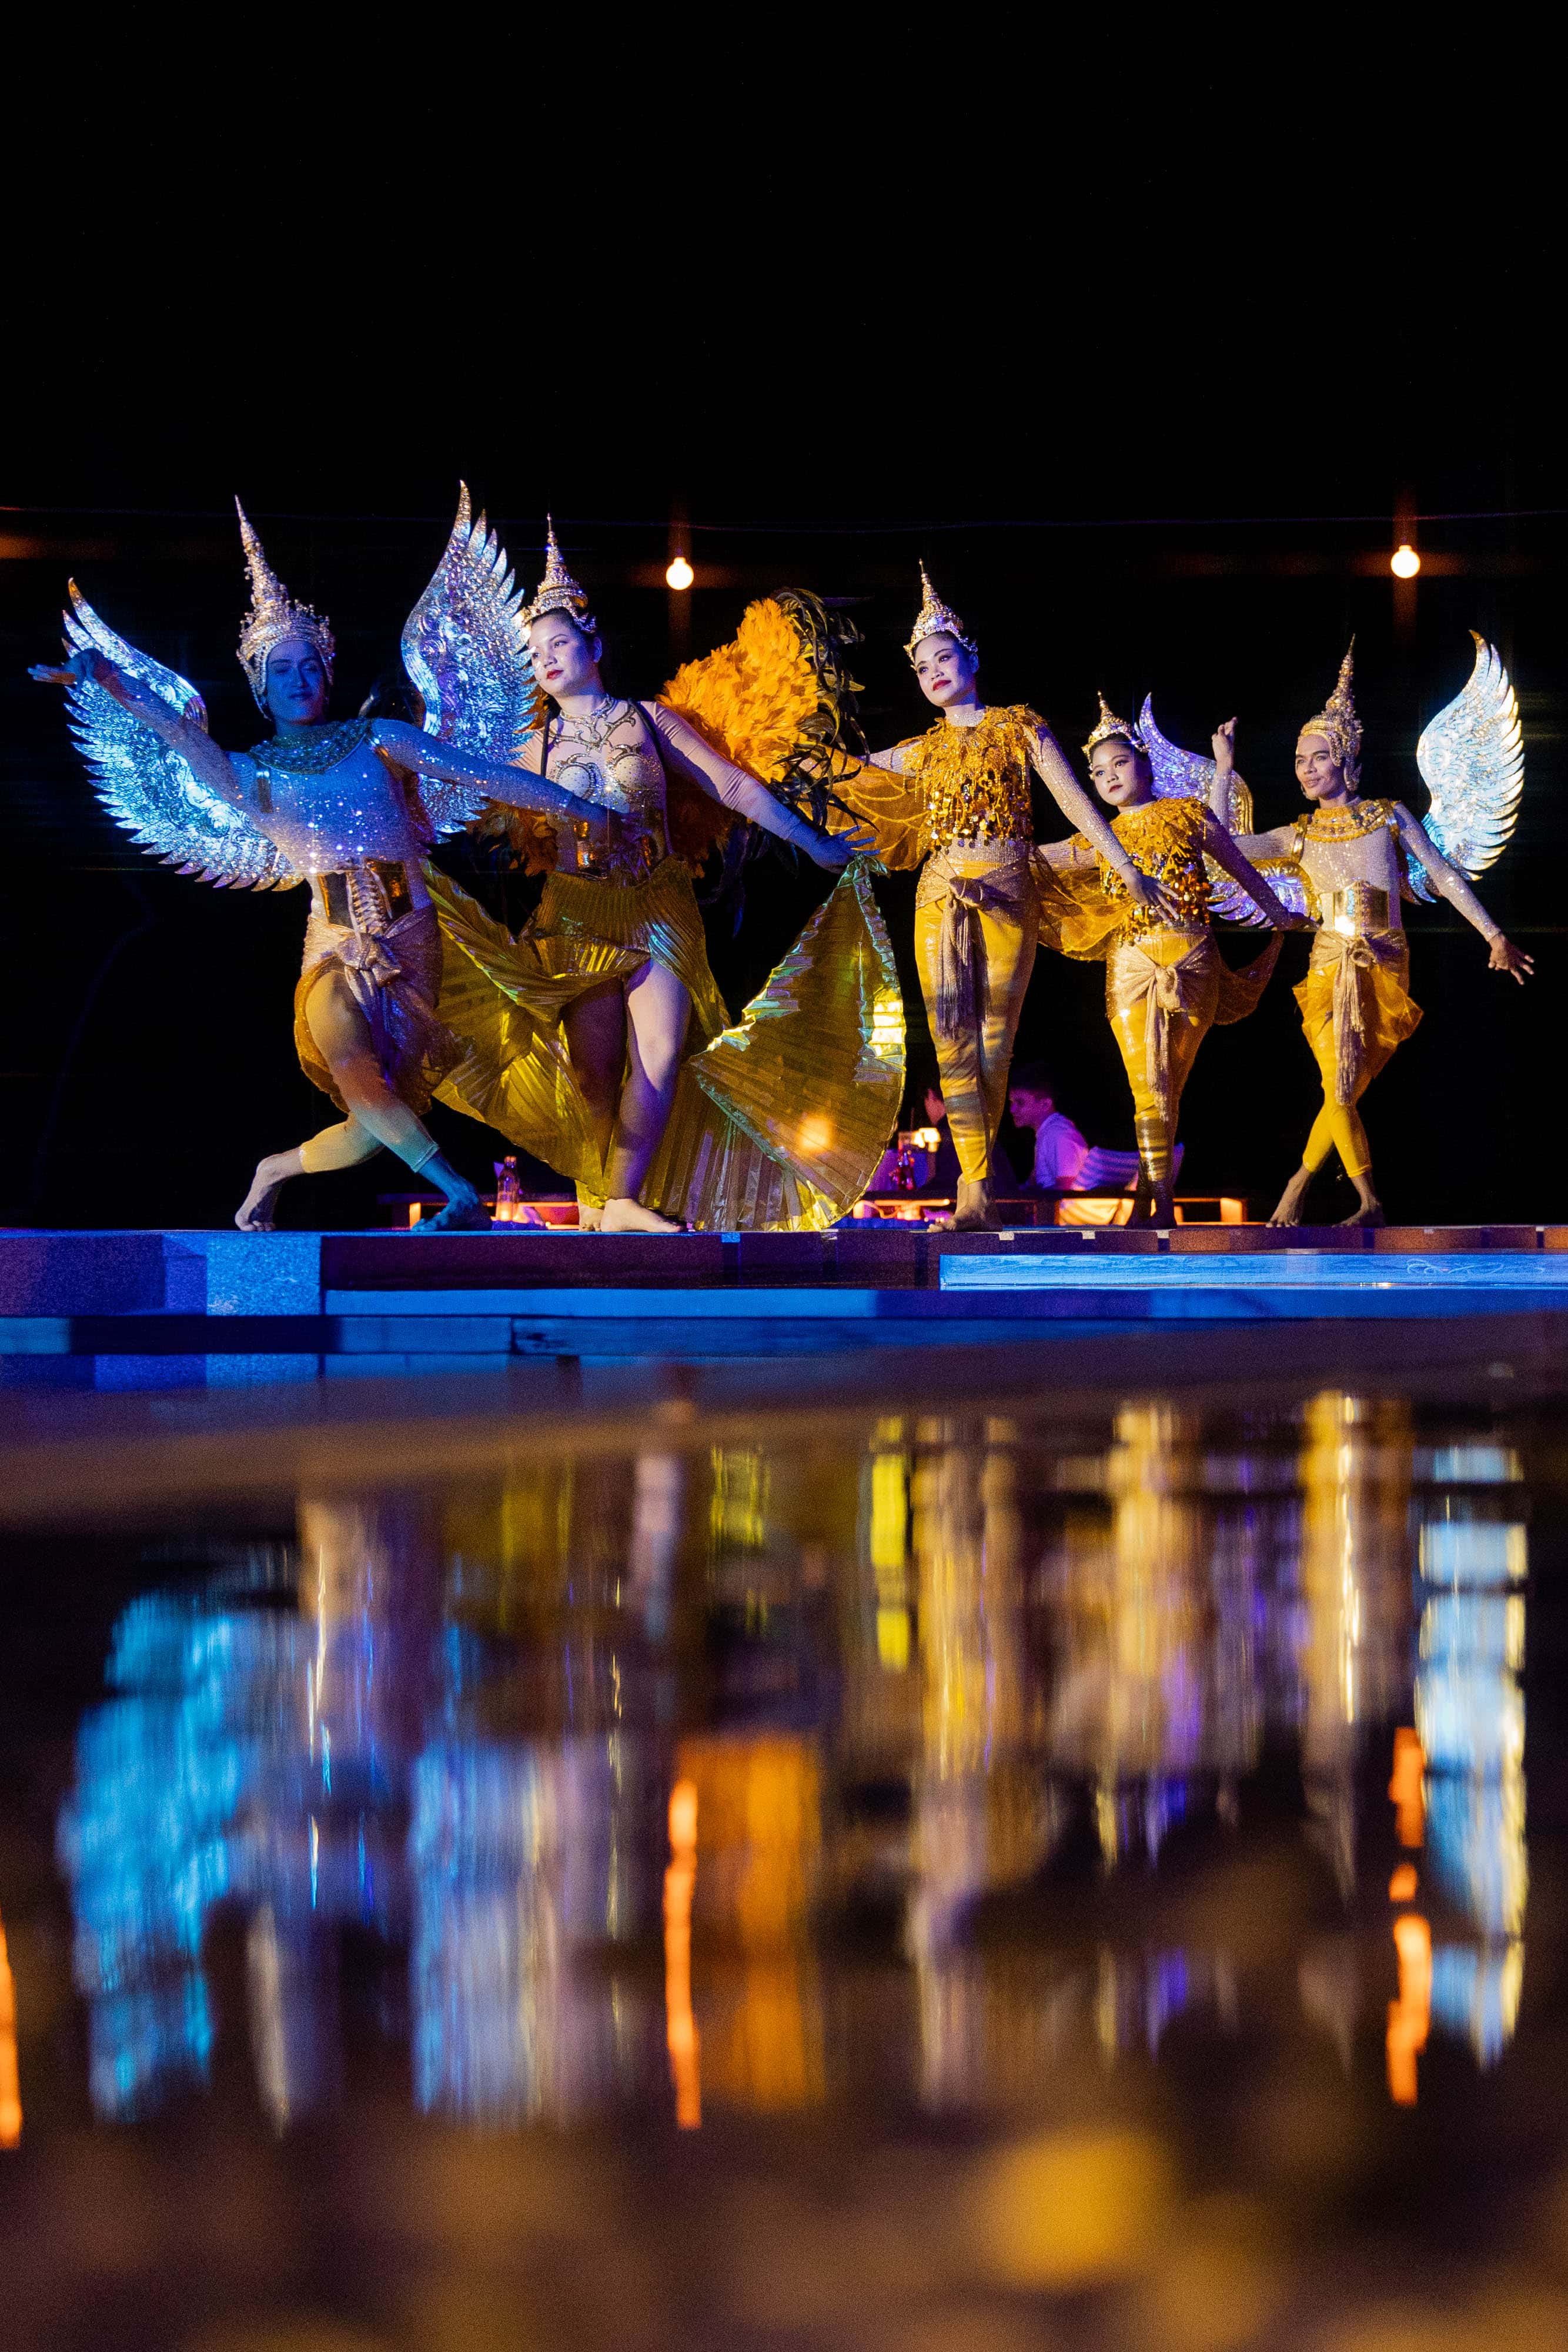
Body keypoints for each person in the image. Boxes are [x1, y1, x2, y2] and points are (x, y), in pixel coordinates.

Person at [31, 502, 602, 1232]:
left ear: (328, 676)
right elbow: (176, 730)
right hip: (332, 947)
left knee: (372, 1124)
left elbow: (485, 775)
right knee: (350, 1058)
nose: (298, 679)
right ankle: (460, 1193)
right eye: (281, 670)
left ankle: (273, 1170)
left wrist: (583, 810)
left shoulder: (380, 738)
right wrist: (114, 682)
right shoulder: (249, 775)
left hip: (414, 942)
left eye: (310, 666)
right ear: (260, 687)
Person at [426, 527, 901, 1234]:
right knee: (593, 1073)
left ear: (593, 645)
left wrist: (813, 842)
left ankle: (622, 1198)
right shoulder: (530, 748)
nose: (546, 658)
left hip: (659, 906)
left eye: (559, 642)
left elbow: (733, 786)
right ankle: (598, 1197)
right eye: (535, 652)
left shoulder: (650, 721)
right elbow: (452, 779)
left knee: (662, 1054)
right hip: (578, 916)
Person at [826, 568, 1180, 1230]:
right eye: (921, 667)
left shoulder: (1021, 726)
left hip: (1009, 892)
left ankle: (979, 1183)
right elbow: (844, 772)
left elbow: (1076, 804)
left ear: (972, 656)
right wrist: (785, 741)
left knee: (992, 1044)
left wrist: (1127, 868)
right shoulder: (919, 750)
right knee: (950, 1044)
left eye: (943, 657)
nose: (933, 673)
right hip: (939, 896)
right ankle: (974, 1190)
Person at [1210, 646, 1532, 1227]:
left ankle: (1315, 1188)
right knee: (1338, 1086)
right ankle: (1355, 1198)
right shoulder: (1297, 833)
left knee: (1344, 1089)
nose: (1307, 768)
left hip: (1383, 961)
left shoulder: (1388, 815)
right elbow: (1221, 848)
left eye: (1319, 756)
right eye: (1299, 759)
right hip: (1327, 965)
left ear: (1345, 758)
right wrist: (1224, 769)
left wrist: (1493, 934)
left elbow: (1442, 874)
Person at [1037, 699, 1301, 1227]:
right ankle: (1158, 1205)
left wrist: (1278, 914)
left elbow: (1238, 865)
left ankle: (1150, 1202)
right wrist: (979, 868)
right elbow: (1037, 861)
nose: (1109, 777)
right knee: (1148, 1089)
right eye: (1098, 772)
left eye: (1119, 763)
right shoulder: (1097, 839)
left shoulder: (1188, 814)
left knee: (1168, 1088)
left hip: (1192, 960)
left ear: (1146, 764)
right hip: (1130, 964)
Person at [1005, 1063, 1088, 1192]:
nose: (1012, 1110)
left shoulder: (1058, 1134)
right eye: (1011, 1102)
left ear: (1045, 1104)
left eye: (1020, 1103)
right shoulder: (1047, 1133)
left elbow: (1068, 1191)